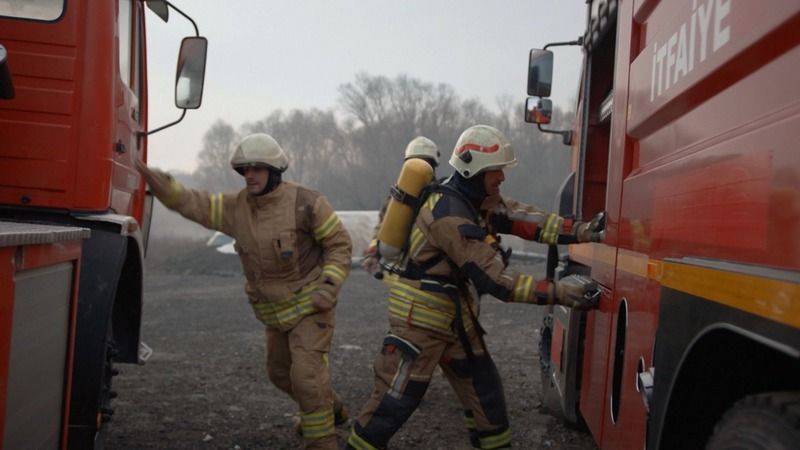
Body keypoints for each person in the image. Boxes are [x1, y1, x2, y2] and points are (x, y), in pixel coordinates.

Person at [346, 125, 603, 450]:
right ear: (475, 171)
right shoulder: (449, 215)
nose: (502, 178)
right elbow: (498, 282)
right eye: (497, 171)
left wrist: (584, 230)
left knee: (486, 397)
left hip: (456, 318)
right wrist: (565, 293)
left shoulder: (477, 200)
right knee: (390, 408)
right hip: (419, 324)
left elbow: (527, 219)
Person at [137, 133, 352, 450]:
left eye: (257, 169)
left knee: (306, 377)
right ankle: (331, 409)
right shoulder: (237, 209)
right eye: (245, 169)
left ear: (274, 170)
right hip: (276, 315)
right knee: (280, 374)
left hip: (311, 307)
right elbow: (196, 204)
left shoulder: (307, 203)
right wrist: (165, 188)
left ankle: (322, 441)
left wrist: (329, 286)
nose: (249, 175)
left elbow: (340, 245)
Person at [361, 136, 440, 274]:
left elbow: (382, 228)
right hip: (430, 274)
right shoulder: (442, 197)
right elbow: (383, 228)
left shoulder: (397, 197)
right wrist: (373, 252)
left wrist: (373, 253)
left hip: (401, 274)